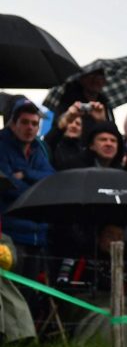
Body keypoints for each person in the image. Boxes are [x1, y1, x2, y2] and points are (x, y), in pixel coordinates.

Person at [0, 97, 54, 278]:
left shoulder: (39, 149)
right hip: (10, 235)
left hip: (37, 235)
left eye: (34, 123)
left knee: (31, 297)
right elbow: (7, 186)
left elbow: (52, 180)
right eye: (24, 122)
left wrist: (25, 174)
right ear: (13, 124)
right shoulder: (2, 146)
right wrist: (37, 188)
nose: (29, 128)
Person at [44, 106, 87, 170]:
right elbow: (48, 141)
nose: (74, 126)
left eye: (78, 124)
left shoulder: (84, 151)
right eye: (70, 121)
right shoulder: (53, 146)